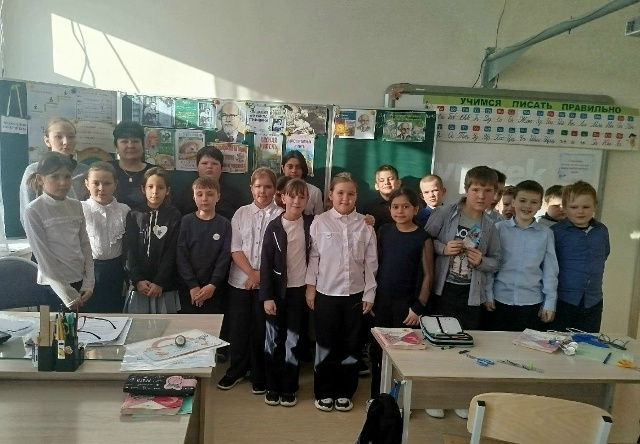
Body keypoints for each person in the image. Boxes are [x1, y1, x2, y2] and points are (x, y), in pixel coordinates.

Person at [424, 165, 501, 419]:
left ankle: (459, 398)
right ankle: (435, 397)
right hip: (443, 290)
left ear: (494, 194)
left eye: (487, 191)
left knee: (465, 346)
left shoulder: (491, 226)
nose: (481, 195)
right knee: (439, 344)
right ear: (466, 189)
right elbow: (423, 242)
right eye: (476, 189)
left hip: (471, 294)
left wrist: (482, 261)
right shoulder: (445, 213)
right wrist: (443, 248)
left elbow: (496, 261)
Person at [305, 172, 377, 413]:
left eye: (351, 194)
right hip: (326, 293)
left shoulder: (365, 225)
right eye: (340, 193)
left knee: (351, 344)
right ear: (331, 195)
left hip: (355, 295)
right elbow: (314, 257)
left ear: (357, 196)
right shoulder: (319, 222)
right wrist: (311, 288)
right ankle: (324, 391)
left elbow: (371, 263)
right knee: (326, 344)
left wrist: (369, 294)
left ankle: (345, 391)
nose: (345, 198)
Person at [217, 168, 282, 394]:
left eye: (268, 187)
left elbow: (280, 254)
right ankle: (236, 370)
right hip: (240, 281)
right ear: (251, 188)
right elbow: (235, 248)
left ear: (275, 189)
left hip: (268, 285)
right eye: (258, 186)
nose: (263, 191)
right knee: (238, 328)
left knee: (261, 330)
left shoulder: (281, 215)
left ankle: (258, 373)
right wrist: (252, 274)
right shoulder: (241, 213)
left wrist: (261, 277)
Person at [370, 187, 433, 398]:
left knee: (403, 353)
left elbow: (428, 275)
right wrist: (372, 298)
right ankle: (378, 397)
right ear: (389, 209)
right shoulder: (384, 231)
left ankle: (398, 399)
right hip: (382, 302)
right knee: (379, 352)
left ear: (416, 209)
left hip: (407, 307)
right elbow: (375, 265)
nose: (400, 211)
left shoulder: (423, 237)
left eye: (406, 206)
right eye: (395, 207)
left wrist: (418, 307)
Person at [260, 178, 314, 407]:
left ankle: (290, 386)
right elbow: (265, 264)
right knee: (273, 340)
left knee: (294, 340)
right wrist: (267, 296)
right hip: (277, 292)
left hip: (299, 292)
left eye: (302, 197)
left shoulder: (312, 224)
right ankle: (272, 385)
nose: (296, 201)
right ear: (283, 198)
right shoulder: (274, 227)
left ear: (307, 200)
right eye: (292, 196)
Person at [484, 180, 558, 332]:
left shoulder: (546, 234)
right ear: (513, 202)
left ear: (540, 205)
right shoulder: (499, 229)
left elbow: (550, 270)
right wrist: (488, 294)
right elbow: (490, 264)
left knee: (527, 345)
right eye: (523, 200)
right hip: (500, 300)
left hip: (532, 303)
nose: (527, 206)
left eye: (534, 202)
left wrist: (550, 302)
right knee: (498, 343)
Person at [23, 152, 94, 310]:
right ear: (40, 179)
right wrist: (67, 294)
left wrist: (89, 282)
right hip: (53, 286)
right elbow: (44, 258)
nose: (63, 183)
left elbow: (85, 245)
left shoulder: (76, 205)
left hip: (80, 281)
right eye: (55, 177)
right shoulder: (34, 210)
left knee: (83, 324)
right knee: (58, 326)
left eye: (67, 177)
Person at [549, 181, 609, 333]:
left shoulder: (601, 230)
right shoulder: (555, 232)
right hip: (563, 300)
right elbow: (549, 265)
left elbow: (604, 254)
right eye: (574, 207)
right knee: (558, 340)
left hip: (593, 300)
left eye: (586, 207)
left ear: (595, 206)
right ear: (564, 208)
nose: (580, 211)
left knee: (588, 342)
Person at [124, 167, 182, 314]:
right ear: (143, 189)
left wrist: (160, 282)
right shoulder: (134, 215)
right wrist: (137, 280)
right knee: (139, 325)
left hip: (164, 286)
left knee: (165, 325)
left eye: (160, 187)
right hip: (139, 286)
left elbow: (172, 251)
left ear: (167, 190)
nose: (155, 191)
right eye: (150, 186)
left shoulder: (174, 216)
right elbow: (129, 249)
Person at [20, 117, 89, 227]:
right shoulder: (33, 170)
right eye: (58, 137)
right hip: (44, 233)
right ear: (47, 141)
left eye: (71, 137)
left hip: (78, 232)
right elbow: (27, 212)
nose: (66, 142)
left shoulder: (85, 171)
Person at [176, 176, 232, 314]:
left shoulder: (224, 224)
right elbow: (181, 254)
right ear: (193, 197)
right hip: (189, 288)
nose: (205, 198)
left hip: (215, 288)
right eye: (200, 194)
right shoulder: (186, 221)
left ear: (218, 197)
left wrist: (213, 284)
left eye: (210, 194)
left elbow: (224, 257)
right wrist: (192, 284)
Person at [81, 161, 130, 313]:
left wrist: (127, 278)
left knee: (115, 312)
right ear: (87, 184)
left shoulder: (124, 211)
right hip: (88, 270)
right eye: (96, 183)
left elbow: (129, 247)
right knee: (90, 313)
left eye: (107, 183)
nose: (101, 188)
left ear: (115, 185)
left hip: (116, 271)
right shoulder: (80, 209)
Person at [109, 121, 154, 209]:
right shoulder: (107, 170)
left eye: (135, 141)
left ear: (143, 145)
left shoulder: (154, 173)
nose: (130, 146)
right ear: (116, 147)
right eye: (124, 141)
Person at [281, 150, 324, 215]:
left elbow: (319, 217)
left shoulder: (315, 192)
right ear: (283, 168)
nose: (294, 171)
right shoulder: (276, 190)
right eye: (290, 167)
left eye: (298, 167)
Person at [362, 164, 402, 233]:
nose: (386, 182)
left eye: (390, 179)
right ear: (376, 186)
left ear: (398, 183)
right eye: (382, 180)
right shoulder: (370, 207)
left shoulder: (407, 205)